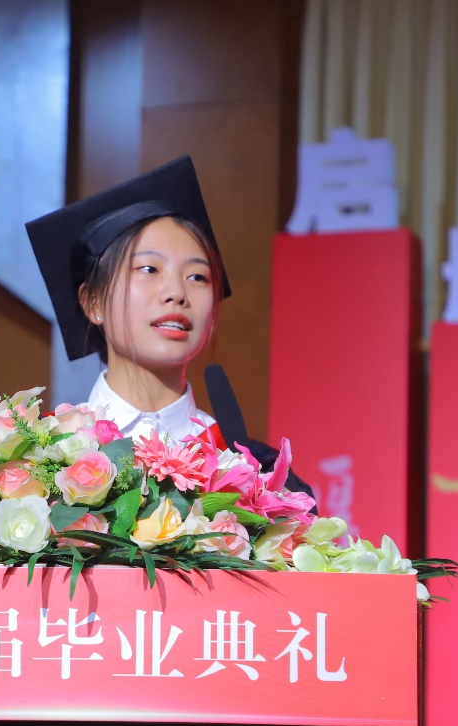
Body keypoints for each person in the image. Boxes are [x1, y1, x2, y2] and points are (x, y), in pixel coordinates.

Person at [25, 156, 314, 499]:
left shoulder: (257, 476)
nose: (177, 292)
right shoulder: (38, 464)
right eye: (149, 269)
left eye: (197, 276)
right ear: (93, 302)